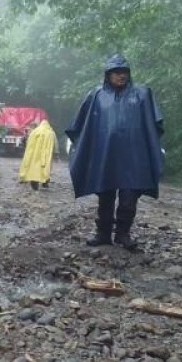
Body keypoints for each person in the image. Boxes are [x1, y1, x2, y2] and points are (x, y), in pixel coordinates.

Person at [65, 54, 164, 249]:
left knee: (129, 199)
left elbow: (154, 125)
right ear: (108, 74)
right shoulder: (96, 96)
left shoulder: (142, 94)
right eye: (116, 72)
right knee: (106, 197)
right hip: (105, 156)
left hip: (134, 158)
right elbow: (81, 125)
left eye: (124, 72)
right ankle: (103, 234)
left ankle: (123, 234)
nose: (121, 76)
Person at [19, 120, 58, 190]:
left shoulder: (34, 132)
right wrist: (56, 153)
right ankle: (45, 181)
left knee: (34, 167)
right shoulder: (51, 133)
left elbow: (28, 143)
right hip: (46, 154)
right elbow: (55, 143)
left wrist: (28, 152)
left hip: (34, 154)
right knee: (45, 168)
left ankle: (34, 181)